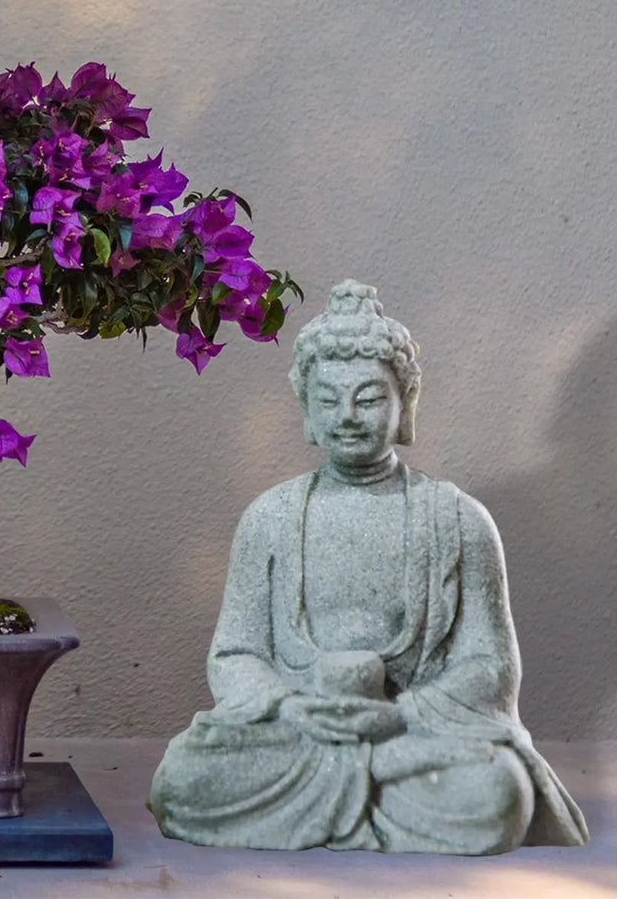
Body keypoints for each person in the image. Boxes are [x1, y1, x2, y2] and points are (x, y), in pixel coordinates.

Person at [148, 281, 588, 853]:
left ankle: (357, 798)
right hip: (299, 733)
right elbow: (235, 655)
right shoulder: (270, 517)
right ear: (306, 410)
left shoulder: (458, 519)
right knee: (181, 780)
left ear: (406, 404)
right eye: (328, 401)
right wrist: (292, 706)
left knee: (496, 794)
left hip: (410, 736)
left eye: (369, 398)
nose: (348, 417)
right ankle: (370, 804)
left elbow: (491, 666)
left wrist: (399, 715)